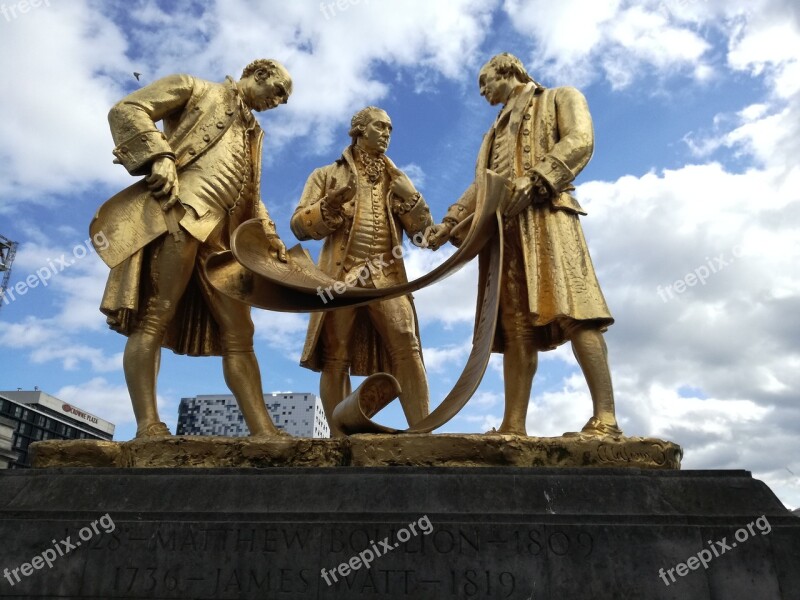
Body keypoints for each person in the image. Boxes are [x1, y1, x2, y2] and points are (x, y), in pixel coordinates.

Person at [428, 53, 622, 437]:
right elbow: (483, 184)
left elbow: (580, 141)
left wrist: (535, 179)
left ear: (508, 71)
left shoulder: (560, 97)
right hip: (504, 234)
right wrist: (450, 220)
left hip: (548, 216)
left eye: (486, 82)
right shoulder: (492, 133)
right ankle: (513, 424)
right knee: (515, 328)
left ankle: (607, 417)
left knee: (577, 311)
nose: (483, 92)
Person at [96, 59, 292, 438]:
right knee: (155, 315)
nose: (280, 101)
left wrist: (270, 236)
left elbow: (251, 195)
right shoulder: (194, 87)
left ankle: (263, 430)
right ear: (260, 73)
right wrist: (159, 157)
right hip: (181, 214)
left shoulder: (254, 133)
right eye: (280, 90)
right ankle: (148, 425)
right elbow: (127, 109)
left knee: (241, 332)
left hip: (226, 241)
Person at [291, 106, 433, 436]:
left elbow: (423, 235)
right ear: (359, 129)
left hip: (386, 276)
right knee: (335, 355)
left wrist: (412, 197)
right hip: (341, 277)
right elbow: (299, 225)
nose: (387, 133)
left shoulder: (397, 180)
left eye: (390, 129)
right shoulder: (326, 175)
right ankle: (339, 438)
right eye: (380, 126)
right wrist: (327, 208)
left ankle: (423, 432)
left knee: (407, 343)